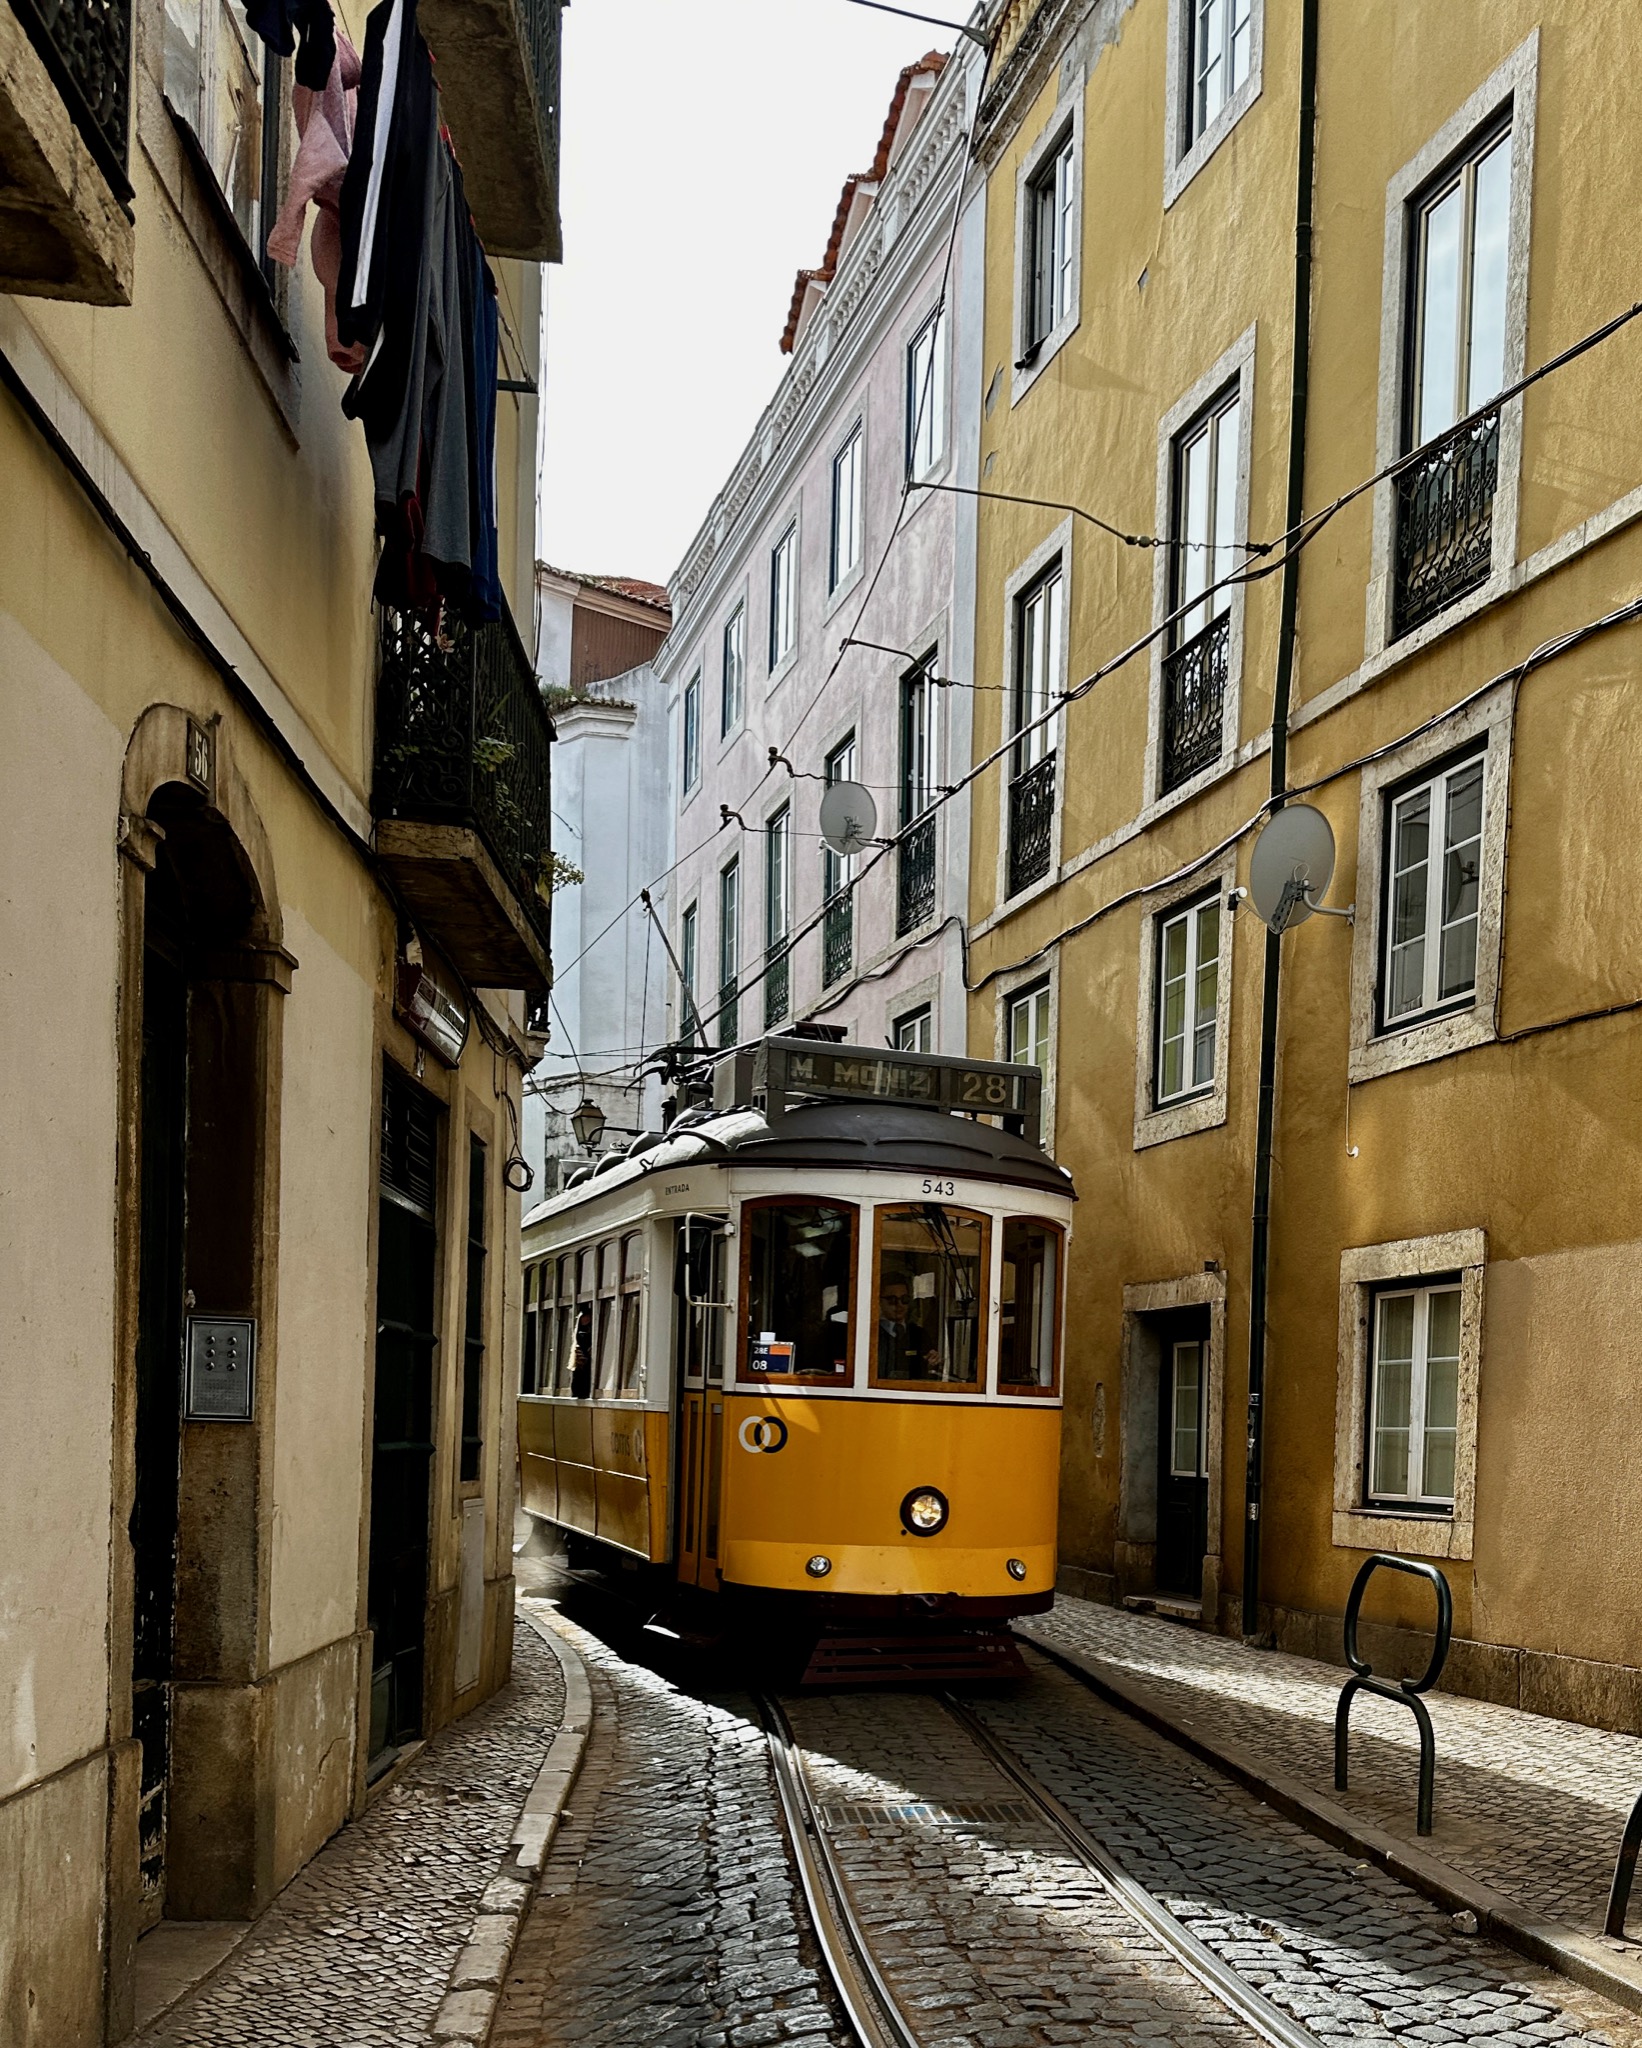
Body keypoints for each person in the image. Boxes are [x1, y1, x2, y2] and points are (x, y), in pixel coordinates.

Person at [877, 1276, 942, 1379]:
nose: (899, 1304)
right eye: (892, 1300)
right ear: (879, 1301)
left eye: (904, 1299)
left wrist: (933, 1362)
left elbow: (929, 1374)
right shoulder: (870, 1334)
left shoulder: (920, 1334)